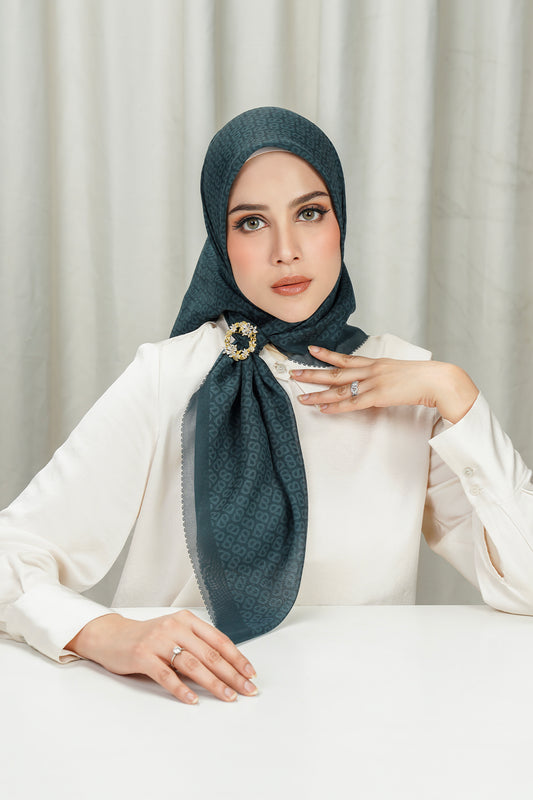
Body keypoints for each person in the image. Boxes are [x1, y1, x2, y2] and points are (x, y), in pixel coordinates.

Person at [1, 106, 533, 706]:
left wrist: (457, 393)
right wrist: (105, 632)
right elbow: (10, 554)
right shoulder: (170, 377)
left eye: (310, 213)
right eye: (252, 222)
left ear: (340, 221)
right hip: (184, 715)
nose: (287, 250)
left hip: (364, 721)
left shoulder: (408, 383)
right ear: (220, 240)